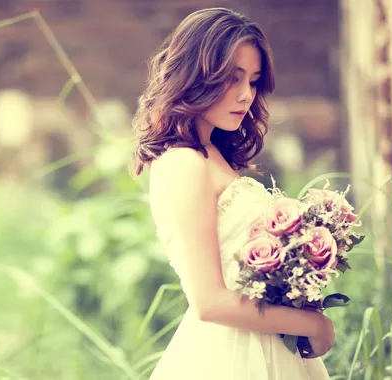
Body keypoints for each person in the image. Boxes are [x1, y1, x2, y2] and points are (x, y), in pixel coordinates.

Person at [130, 8, 334, 380]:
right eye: (231, 79)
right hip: (232, 355)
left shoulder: (211, 154)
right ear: (195, 76)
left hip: (261, 342)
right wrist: (313, 325)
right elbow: (209, 301)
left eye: (254, 82)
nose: (245, 96)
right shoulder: (182, 163)